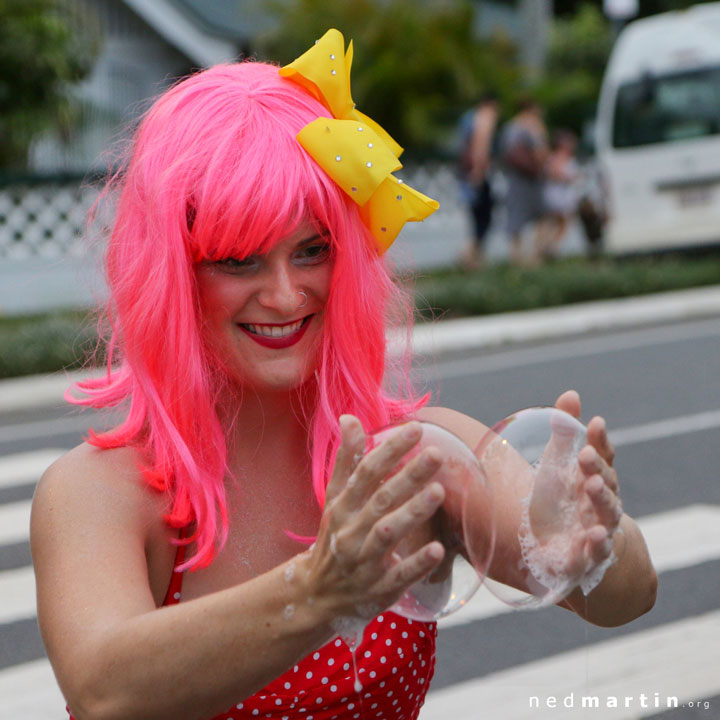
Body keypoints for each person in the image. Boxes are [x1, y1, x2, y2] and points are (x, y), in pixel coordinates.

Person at [30, 30, 657, 720]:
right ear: (174, 277)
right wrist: (320, 592)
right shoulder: (99, 494)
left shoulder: (418, 459)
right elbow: (103, 691)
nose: (284, 294)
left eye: (312, 250)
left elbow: (625, 597)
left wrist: (592, 546)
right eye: (237, 260)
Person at [499, 98, 549, 264]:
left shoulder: (509, 128)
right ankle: (534, 257)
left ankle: (517, 257)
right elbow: (541, 155)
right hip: (531, 180)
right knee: (541, 217)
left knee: (516, 219)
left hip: (515, 179)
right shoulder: (532, 129)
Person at [457, 93, 500, 268]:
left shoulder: (468, 117)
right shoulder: (485, 117)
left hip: (466, 172)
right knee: (484, 216)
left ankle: (474, 257)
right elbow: (480, 144)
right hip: (477, 173)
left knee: (478, 215)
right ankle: (469, 255)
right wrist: (478, 170)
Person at [536, 129, 580, 260]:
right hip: (556, 196)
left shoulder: (562, 158)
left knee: (561, 224)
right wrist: (569, 178)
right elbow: (553, 174)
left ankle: (549, 248)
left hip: (561, 195)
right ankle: (547, 248)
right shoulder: (555, 158)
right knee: (556, 223)